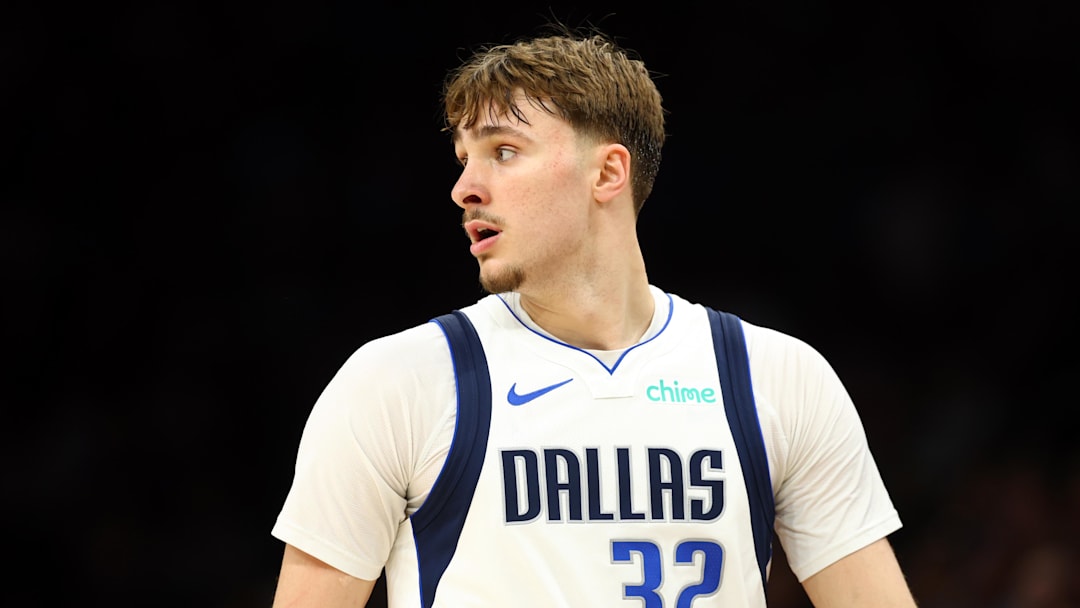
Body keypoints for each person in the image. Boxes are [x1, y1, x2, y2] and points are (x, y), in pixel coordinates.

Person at [269, 24, 918, 608]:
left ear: (607, 172)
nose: (465, 186)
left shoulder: (775, 378)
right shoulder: (398, 381)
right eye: (464, 157)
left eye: (502, 151)